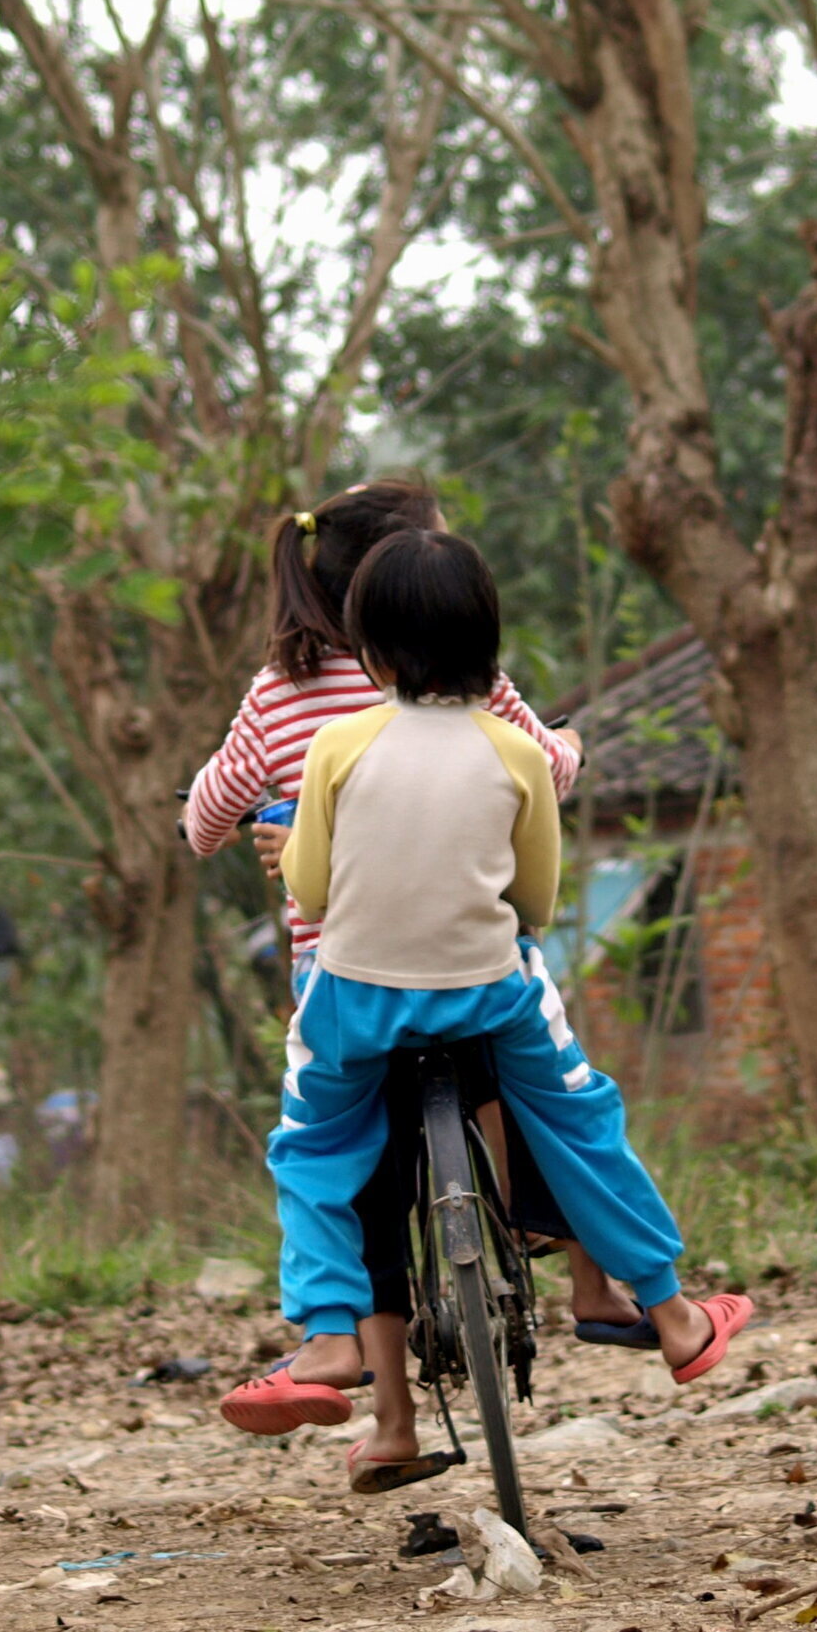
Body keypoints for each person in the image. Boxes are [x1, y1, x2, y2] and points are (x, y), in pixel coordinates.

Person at [219, 528, 752, 1437]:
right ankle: (672, 1314)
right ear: (488, 643)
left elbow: (308, 885)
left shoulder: (337, 747)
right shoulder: (516, 752)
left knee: (312, 1146)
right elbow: (535, 893)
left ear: (372, 650)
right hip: (489, 993)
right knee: (580, 1116)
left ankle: (328, 1336)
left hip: (355, 997)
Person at [185, 482, 643, 1486]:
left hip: (344, 972)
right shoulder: (480, 685)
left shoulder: (278, 697)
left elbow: (211, 813)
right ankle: (603, 1279)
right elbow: (544, 773)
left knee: (352, 1168)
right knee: (558, 1090)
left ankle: (385, 1411)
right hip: (480, 962)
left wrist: (254, 827)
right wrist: (566, 747)